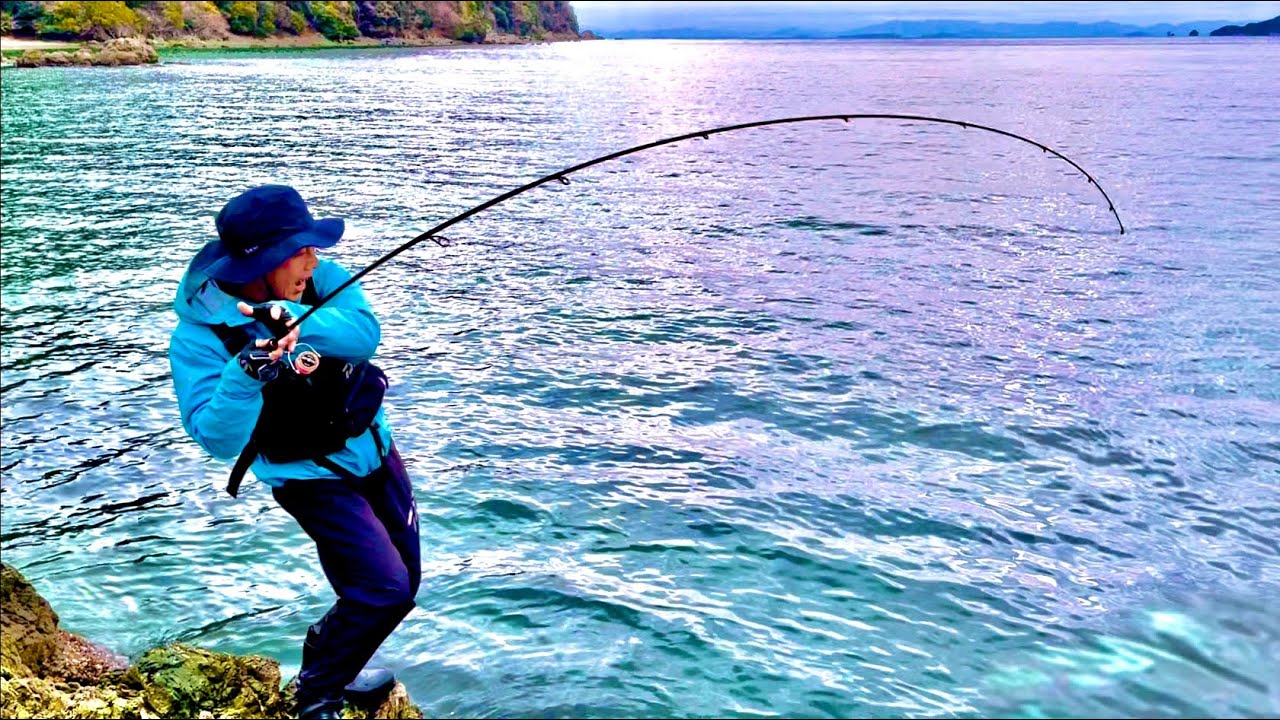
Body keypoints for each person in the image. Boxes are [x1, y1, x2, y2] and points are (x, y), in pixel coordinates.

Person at [168, 184, 421, 720]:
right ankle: (316, 695)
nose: (314, 260)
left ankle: (336, 663)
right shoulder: (197, 337)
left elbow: (363, 336)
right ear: (260, 263)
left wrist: (300, 318)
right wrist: (244, 375)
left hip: (375, 452)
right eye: (300, 250)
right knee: (383, 588)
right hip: (309, 478)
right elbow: (215, 438)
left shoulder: (320, 281)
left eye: (312, 247)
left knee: (401, 584)